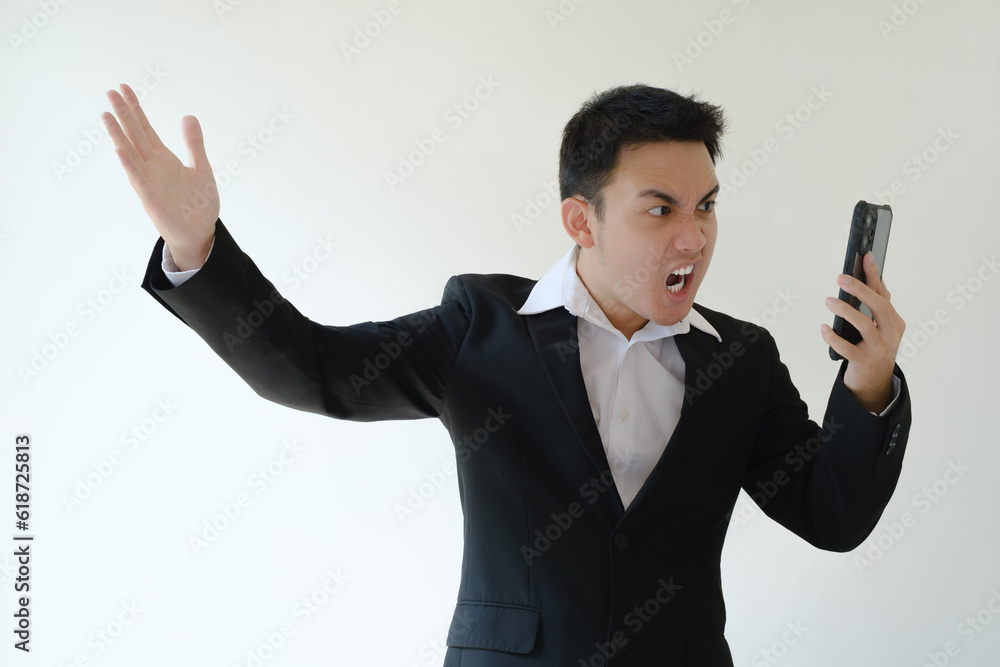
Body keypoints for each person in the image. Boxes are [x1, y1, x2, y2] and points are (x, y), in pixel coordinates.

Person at [102, 82, 910, 666]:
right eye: (661, 208)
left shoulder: (741, 359)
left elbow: (831, 513)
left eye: (707, 206)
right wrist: (197, 250)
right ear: (580, 220)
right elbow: (315, 371)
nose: (694, 236)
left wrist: (870, 384)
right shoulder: (480, 327)